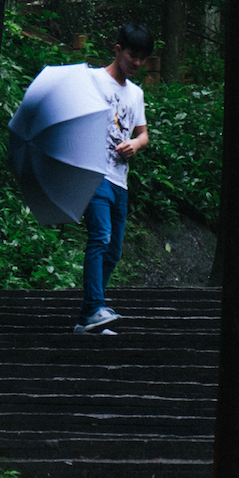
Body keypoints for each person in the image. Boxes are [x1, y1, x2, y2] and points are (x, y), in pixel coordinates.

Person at [75, 23, 151, 333]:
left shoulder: (136, 93)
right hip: (96, 174)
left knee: (115, 249)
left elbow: (143, 134)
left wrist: (135, 144)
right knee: (100, 236)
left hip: (121, 180)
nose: (137, 63)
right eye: (133, 55)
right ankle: (95, 308)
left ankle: (89, 314)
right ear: (118, 50)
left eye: (143, 58)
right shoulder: (92, 80)